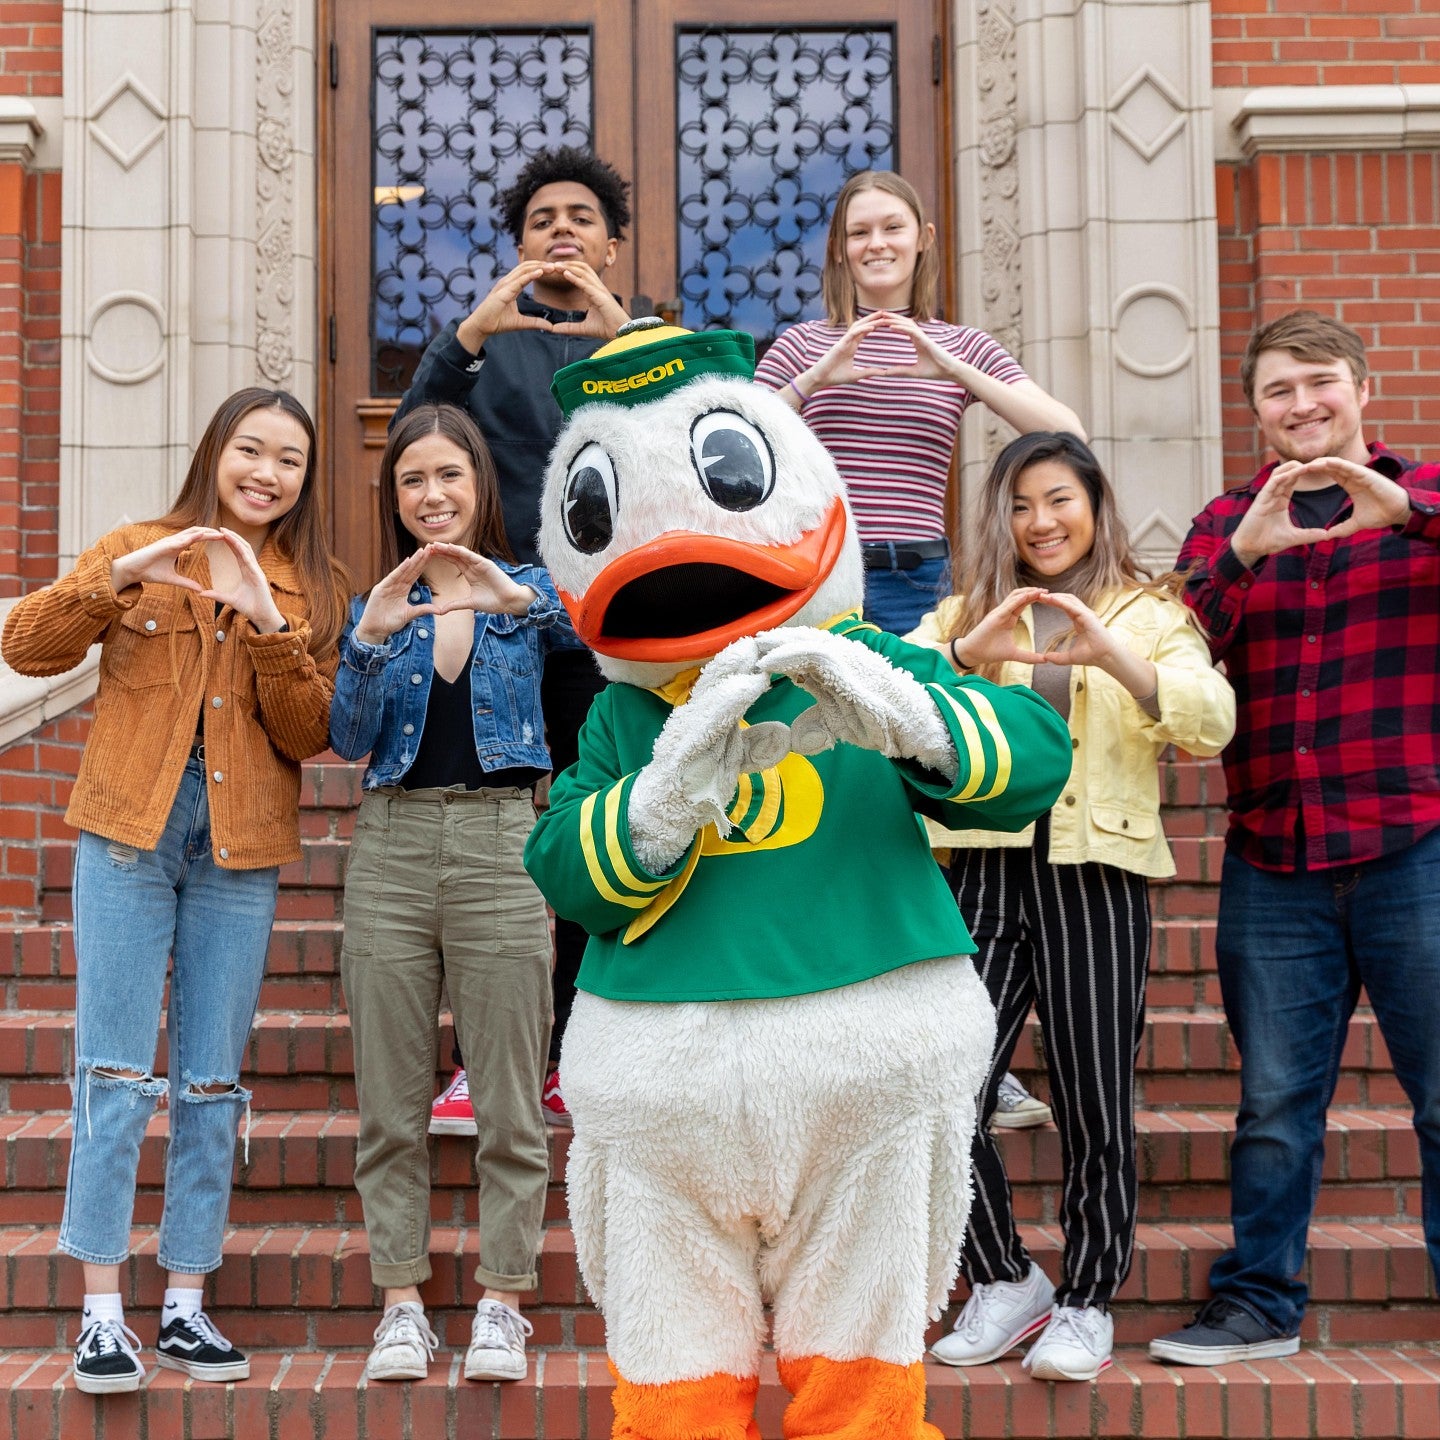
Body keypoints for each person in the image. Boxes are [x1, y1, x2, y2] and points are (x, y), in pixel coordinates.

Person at [1, 388, 348, 1394]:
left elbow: (309, 732)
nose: (266, 472)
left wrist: (271, 626)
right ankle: (102, 1314)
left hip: (238, 847)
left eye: (288, 459)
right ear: (217, 452)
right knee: (112, 1070)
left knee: (210, 1080)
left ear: (304, 479)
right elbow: (27, 647)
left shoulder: (310, 584)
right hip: (128, 829)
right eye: (251, 449)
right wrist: (115, 581)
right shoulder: (141, 544)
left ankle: (187, 1304)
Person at [911, 432, 1234, 1381]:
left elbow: (1210, 720)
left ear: (1094, 503)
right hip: (981, 865)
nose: (1039, 523)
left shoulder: (1149, 610)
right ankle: (1005, 1278)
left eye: (1058, 500)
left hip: (1097, 873)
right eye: (1018, 505)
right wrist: (970, 653)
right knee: (942, 1091)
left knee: (1095, 1098)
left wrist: (1118, 656)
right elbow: (897, 702)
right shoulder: (966, 611)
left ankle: (1089, 1300)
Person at [1149, 311, 1440, 1366]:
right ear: (1256, 410)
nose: (1302, 405)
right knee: (1274, 1106)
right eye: (1278, 390)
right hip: (1276, 860)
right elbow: (1174, 650)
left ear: (1361, 388)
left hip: (1416, 845)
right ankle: (1258, 1306)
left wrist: (1402, 513)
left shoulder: (1426, 502)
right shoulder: (1226, 520)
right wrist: (1240, 553)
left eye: (1318, 382)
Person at [393, 146, 631, 1132]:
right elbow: (411, 443)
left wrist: (624, 329)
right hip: (497, 628)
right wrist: (470, 334)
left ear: (612, 246)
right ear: (518, 245)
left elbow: (708, 423)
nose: (562, 230)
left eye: (582, 216)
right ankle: (480, 1064)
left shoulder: (637, 338)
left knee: (582, 841)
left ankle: (571, 1049)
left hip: (601, 631)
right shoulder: (482, 347)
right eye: (542, 220)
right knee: (490, 857)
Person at [330, 403, 568, 1383]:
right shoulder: (375, 607)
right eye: (413, 482)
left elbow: (592, 629)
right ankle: (401, 1304)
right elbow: (347, 742)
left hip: (501, 843)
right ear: (396, 498)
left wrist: (520, 603)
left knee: (510, 1100)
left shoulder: (529, 591)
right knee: (389, 1101)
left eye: (449, 478)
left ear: (480, 486)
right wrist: (368, 643)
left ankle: (502, 1303)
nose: (432, 497)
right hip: (388, 848)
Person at [753, 168, 1085, 637]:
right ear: (839, 249)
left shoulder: (961, 346)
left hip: (918, 579)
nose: (877, 243)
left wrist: (954, 370)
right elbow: (738, 444)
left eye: (892, 227)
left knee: (914, 708)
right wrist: (815, 379)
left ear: (923, 238)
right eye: (859, 232)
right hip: (818, 572)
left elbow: (1068, 433)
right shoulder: (803, 345)